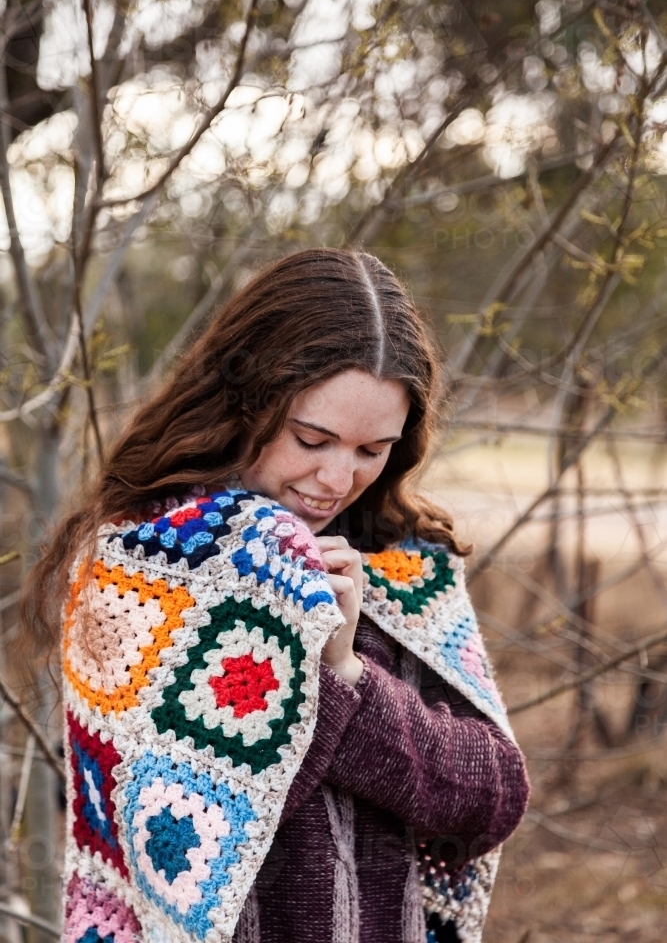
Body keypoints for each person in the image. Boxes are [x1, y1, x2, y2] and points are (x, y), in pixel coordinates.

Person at [20, 248, 529, 943]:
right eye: (311, 438)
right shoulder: (149, 570)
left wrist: (348, 670)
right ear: (246, 401)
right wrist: (298, 648)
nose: (335, 477)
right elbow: (183, 844)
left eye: (370, 449)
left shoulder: (404, 566)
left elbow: (489, 799)